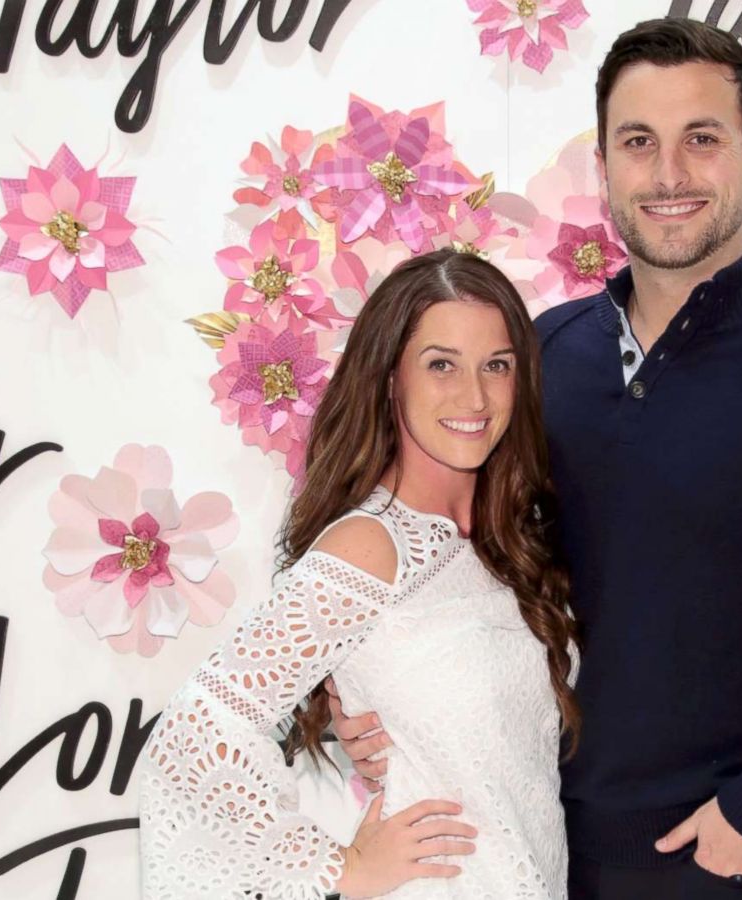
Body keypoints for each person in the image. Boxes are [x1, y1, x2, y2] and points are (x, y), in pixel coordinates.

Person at [332, 17, 742, 900]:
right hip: (538, 853)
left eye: (702, 140)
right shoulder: (539, 357)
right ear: (605, 171)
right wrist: (362, 693)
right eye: (638, 143)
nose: (668, 174)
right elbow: (453, 552)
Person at [136, 249, 579, 899]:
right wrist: (337, 869)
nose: (475, 396)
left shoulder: (513, 536)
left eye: (497, 365)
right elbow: (196, 731)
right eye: (441, 366)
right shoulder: (370, 545)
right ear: (391, 379)